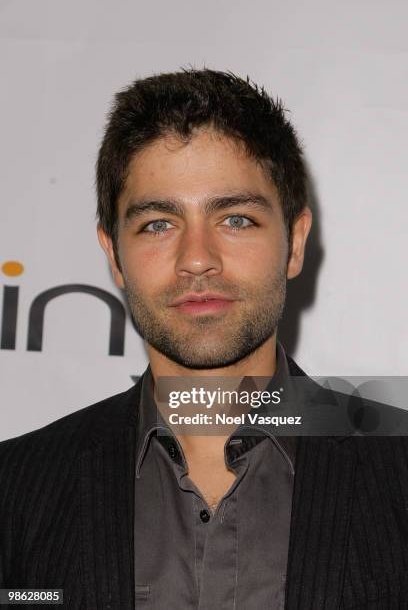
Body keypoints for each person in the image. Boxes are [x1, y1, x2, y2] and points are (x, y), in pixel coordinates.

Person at [1, 69, 408, 610]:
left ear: (295, 243)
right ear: (113, 255)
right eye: (157, 224)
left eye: (236, 219)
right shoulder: (15, 490)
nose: (197, 258)